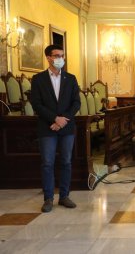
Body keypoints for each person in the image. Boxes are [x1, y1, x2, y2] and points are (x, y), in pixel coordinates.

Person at [31, 44, 81, 213]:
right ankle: (48, 198)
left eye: (62, 55)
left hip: (66, 127)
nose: (60, 59)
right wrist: (54, 119)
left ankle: (64, 196)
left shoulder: (71, 78)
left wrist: (62, 120)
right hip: (47, 127)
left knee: (66, 161)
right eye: (57, 55)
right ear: (48, 58)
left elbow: (76, 103)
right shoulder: (38, 80)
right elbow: (36, 104)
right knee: (47, 163)